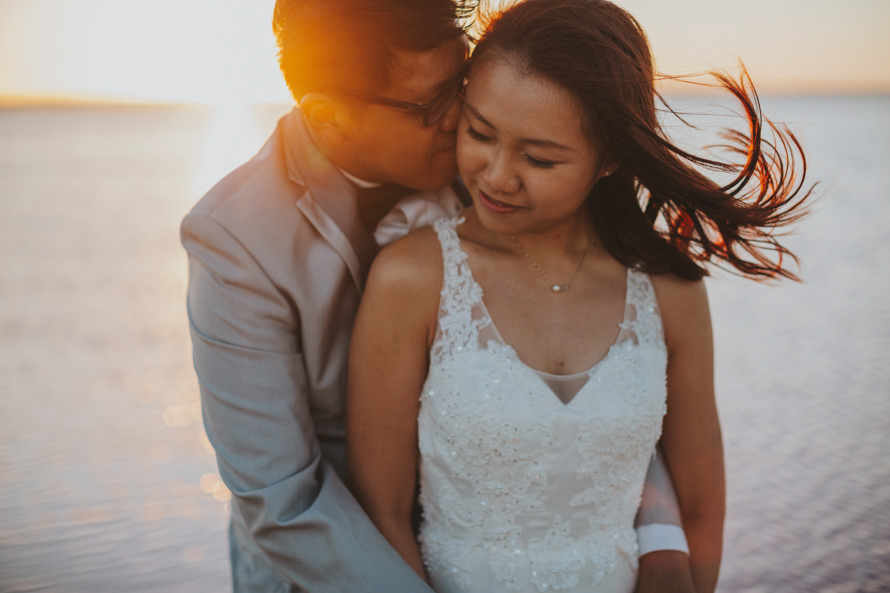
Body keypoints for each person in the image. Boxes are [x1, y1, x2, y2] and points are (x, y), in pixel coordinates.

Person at [181, 0, 691, 591]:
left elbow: (593, 364)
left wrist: (661, 539)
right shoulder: (233, 239)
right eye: (431, 103)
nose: (462, 116)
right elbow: (283, 501)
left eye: (463, 80)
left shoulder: (498, 165)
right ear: (328, 118)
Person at [346, 1, 811, 592]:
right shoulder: (411, 279)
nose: (496, 175)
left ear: (610, 158)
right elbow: (381, 513)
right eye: (479, 132)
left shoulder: (672, 289)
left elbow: (702, 509)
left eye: (539, 158)